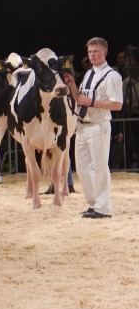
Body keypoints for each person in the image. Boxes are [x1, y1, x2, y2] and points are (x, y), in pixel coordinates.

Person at [65, 37, 123, 219]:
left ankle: (103, 207)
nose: (92, 55)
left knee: (100, 167)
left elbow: (117, 105)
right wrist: (72, 84)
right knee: (81, 168)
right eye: (90, 52)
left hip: (99, 126)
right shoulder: (89, 74)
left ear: (105, 52)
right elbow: (80, 99)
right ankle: (93, 204)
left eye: (96, 51)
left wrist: (93, 102)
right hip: (83, 126)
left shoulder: (112, 76)